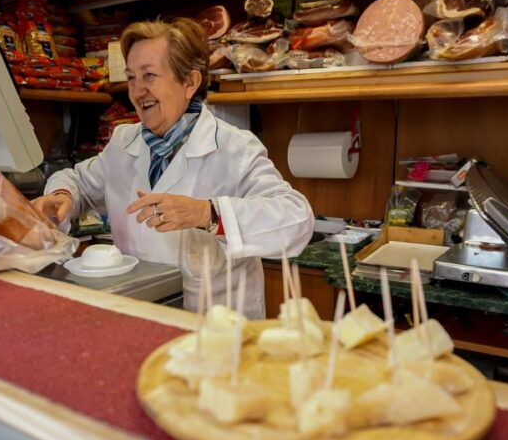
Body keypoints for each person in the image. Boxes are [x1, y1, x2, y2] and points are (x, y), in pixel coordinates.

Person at [32, 18, 313, 319]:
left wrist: (207, 213)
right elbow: (76, 180)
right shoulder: (123, 143)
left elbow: (297, 218)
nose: (138, 91)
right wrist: (62, 196)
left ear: (190, 82)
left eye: (149, 75)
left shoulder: (234, 147)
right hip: (140, 317)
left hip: (215, 335)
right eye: (131, 78)